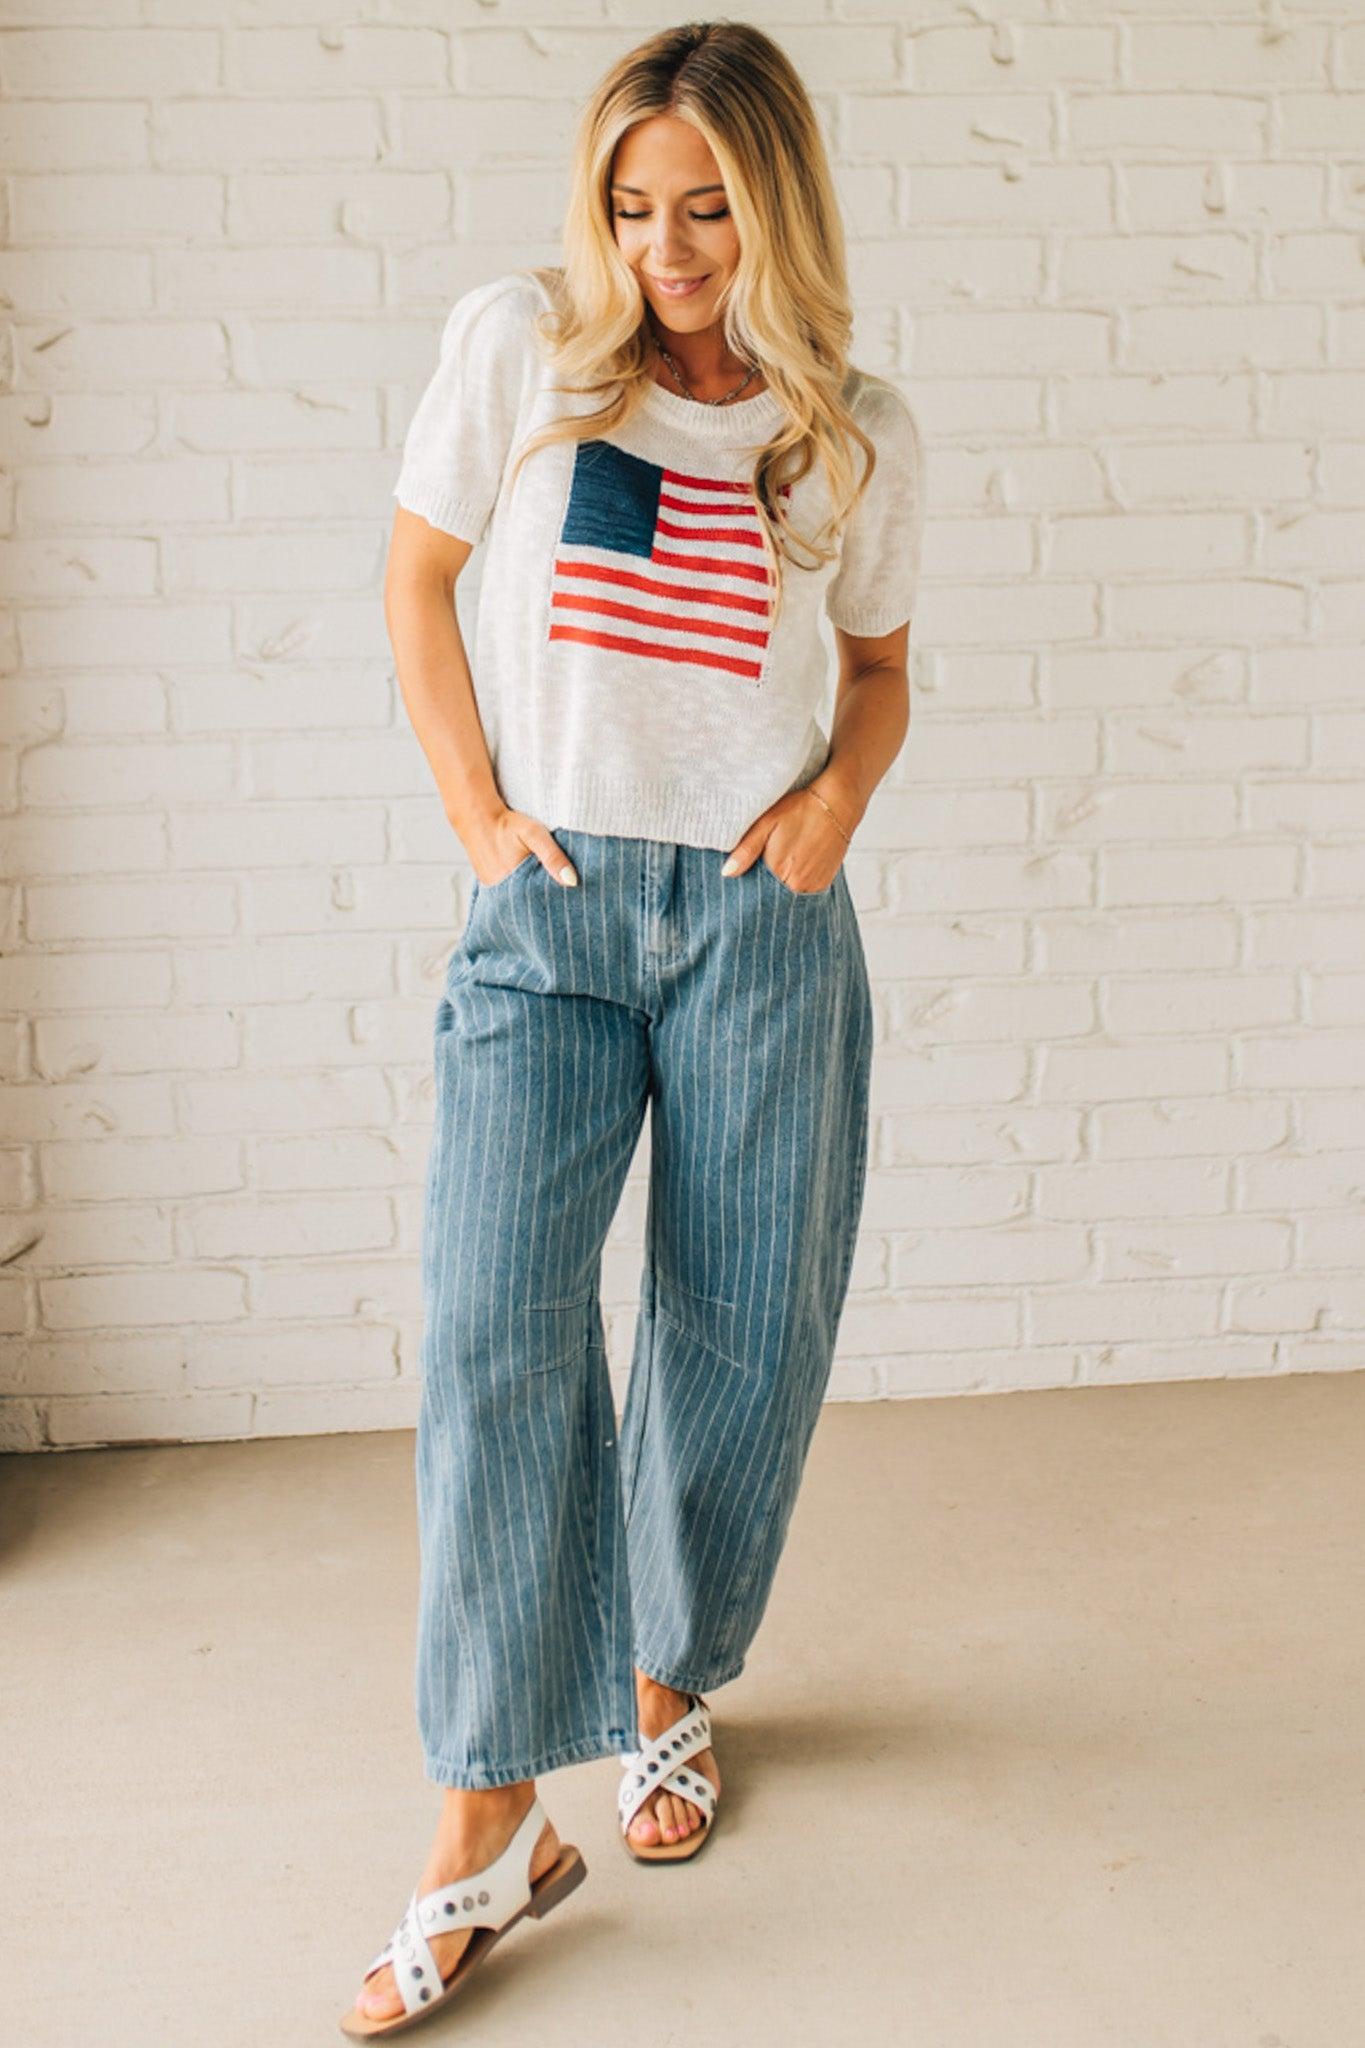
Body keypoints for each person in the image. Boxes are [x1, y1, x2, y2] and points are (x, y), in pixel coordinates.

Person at [341, 18, 924, 2037]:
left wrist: (830, 812)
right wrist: (478, 818)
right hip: (556, 911)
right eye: (631, 202)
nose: (666, 245)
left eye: (705, 207)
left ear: (775, 203)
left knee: (737, 1321)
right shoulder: (519, 345)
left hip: (759, 925)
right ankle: (488, 1810)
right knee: (496, 1327)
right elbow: (417, 588)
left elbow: (873, 672)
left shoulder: (844, 423)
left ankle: (669, 1686)